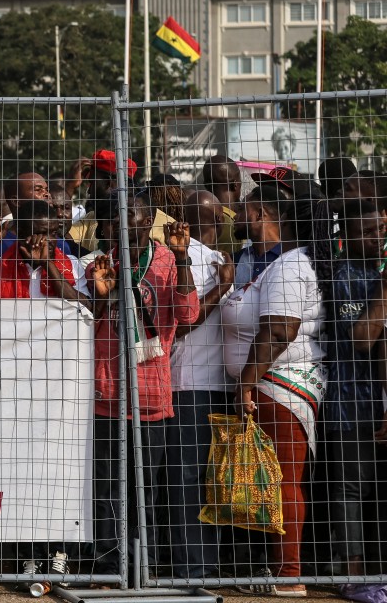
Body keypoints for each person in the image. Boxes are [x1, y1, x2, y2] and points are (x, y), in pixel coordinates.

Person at [221, 184, 327, 597]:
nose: (238, 217)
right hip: (279, 385)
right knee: (278, 480)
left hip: (280, 386)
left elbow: (280, 329)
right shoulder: (289, 262)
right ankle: (282, 570)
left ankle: (288, 574)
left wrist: (247, 380)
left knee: (284, 481)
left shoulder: (287, 266)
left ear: (262, 213)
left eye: (244, 210)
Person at [88, 191, 198, 580]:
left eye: (131, 215)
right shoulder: (101, 261)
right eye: (117, 215)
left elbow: (186, 314)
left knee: (144, 490)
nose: (123, 222)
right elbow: (90, 317)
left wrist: (183, 257)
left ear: (146, 219)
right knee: (107, 491)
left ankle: (141, 568)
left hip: (151, 394)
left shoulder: (168, 260)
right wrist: (101, 295)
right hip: (109, 393)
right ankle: (108, 567)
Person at [164, 189, 233, 580]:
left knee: (209, 478)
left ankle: (205, 563)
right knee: (189, 477)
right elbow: (187, 319)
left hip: (216, 384)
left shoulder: (221, 258)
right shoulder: (184, 256)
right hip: (187, 383)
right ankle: (194, 566)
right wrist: (221, 287)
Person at [319, 197, 385, 581]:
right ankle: (354, 573)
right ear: (348, 237)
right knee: (350, 489)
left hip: (379, 400)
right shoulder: (346, 278)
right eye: (369, 232)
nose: (378, 238)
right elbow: (361, 339)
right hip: (349, 402)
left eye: (381, 229)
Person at [68, 149, 137, 255]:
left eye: (92, 183)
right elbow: (62, 240)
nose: (89, 191)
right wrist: (70, 187)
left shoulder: (154, 223)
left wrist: (70, 187)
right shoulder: (91, 218)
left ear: (108, 183)